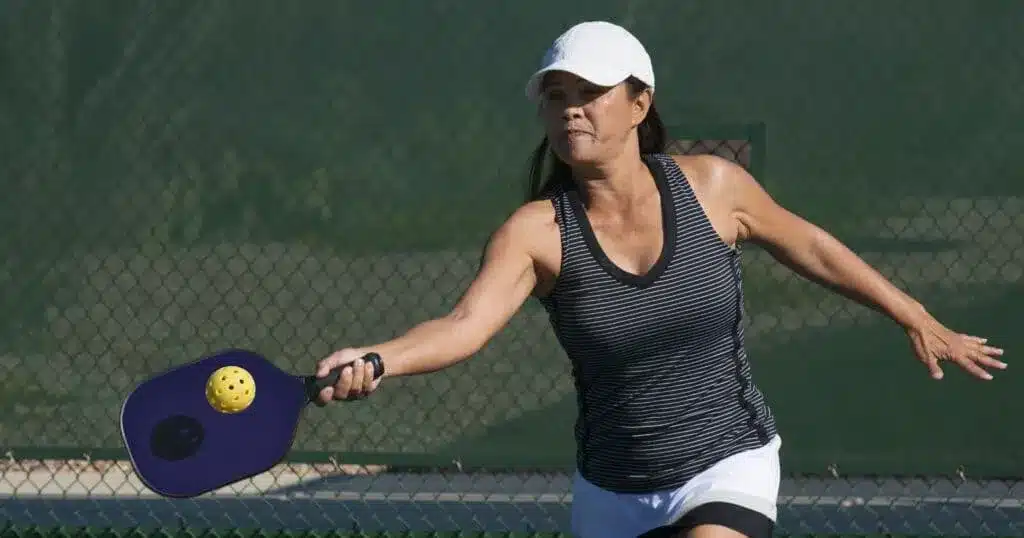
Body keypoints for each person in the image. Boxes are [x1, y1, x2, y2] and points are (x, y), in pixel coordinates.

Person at [314, 20, 1007, 538]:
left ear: (640, 104)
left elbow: (815, 250)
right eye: (556, 95)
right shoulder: (535, 231)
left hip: (725, 462)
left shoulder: (714, 187)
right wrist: (379, 359)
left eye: (590, 92)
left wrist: (913, 313)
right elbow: (464, 327)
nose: (570, 109)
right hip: (610, 491)